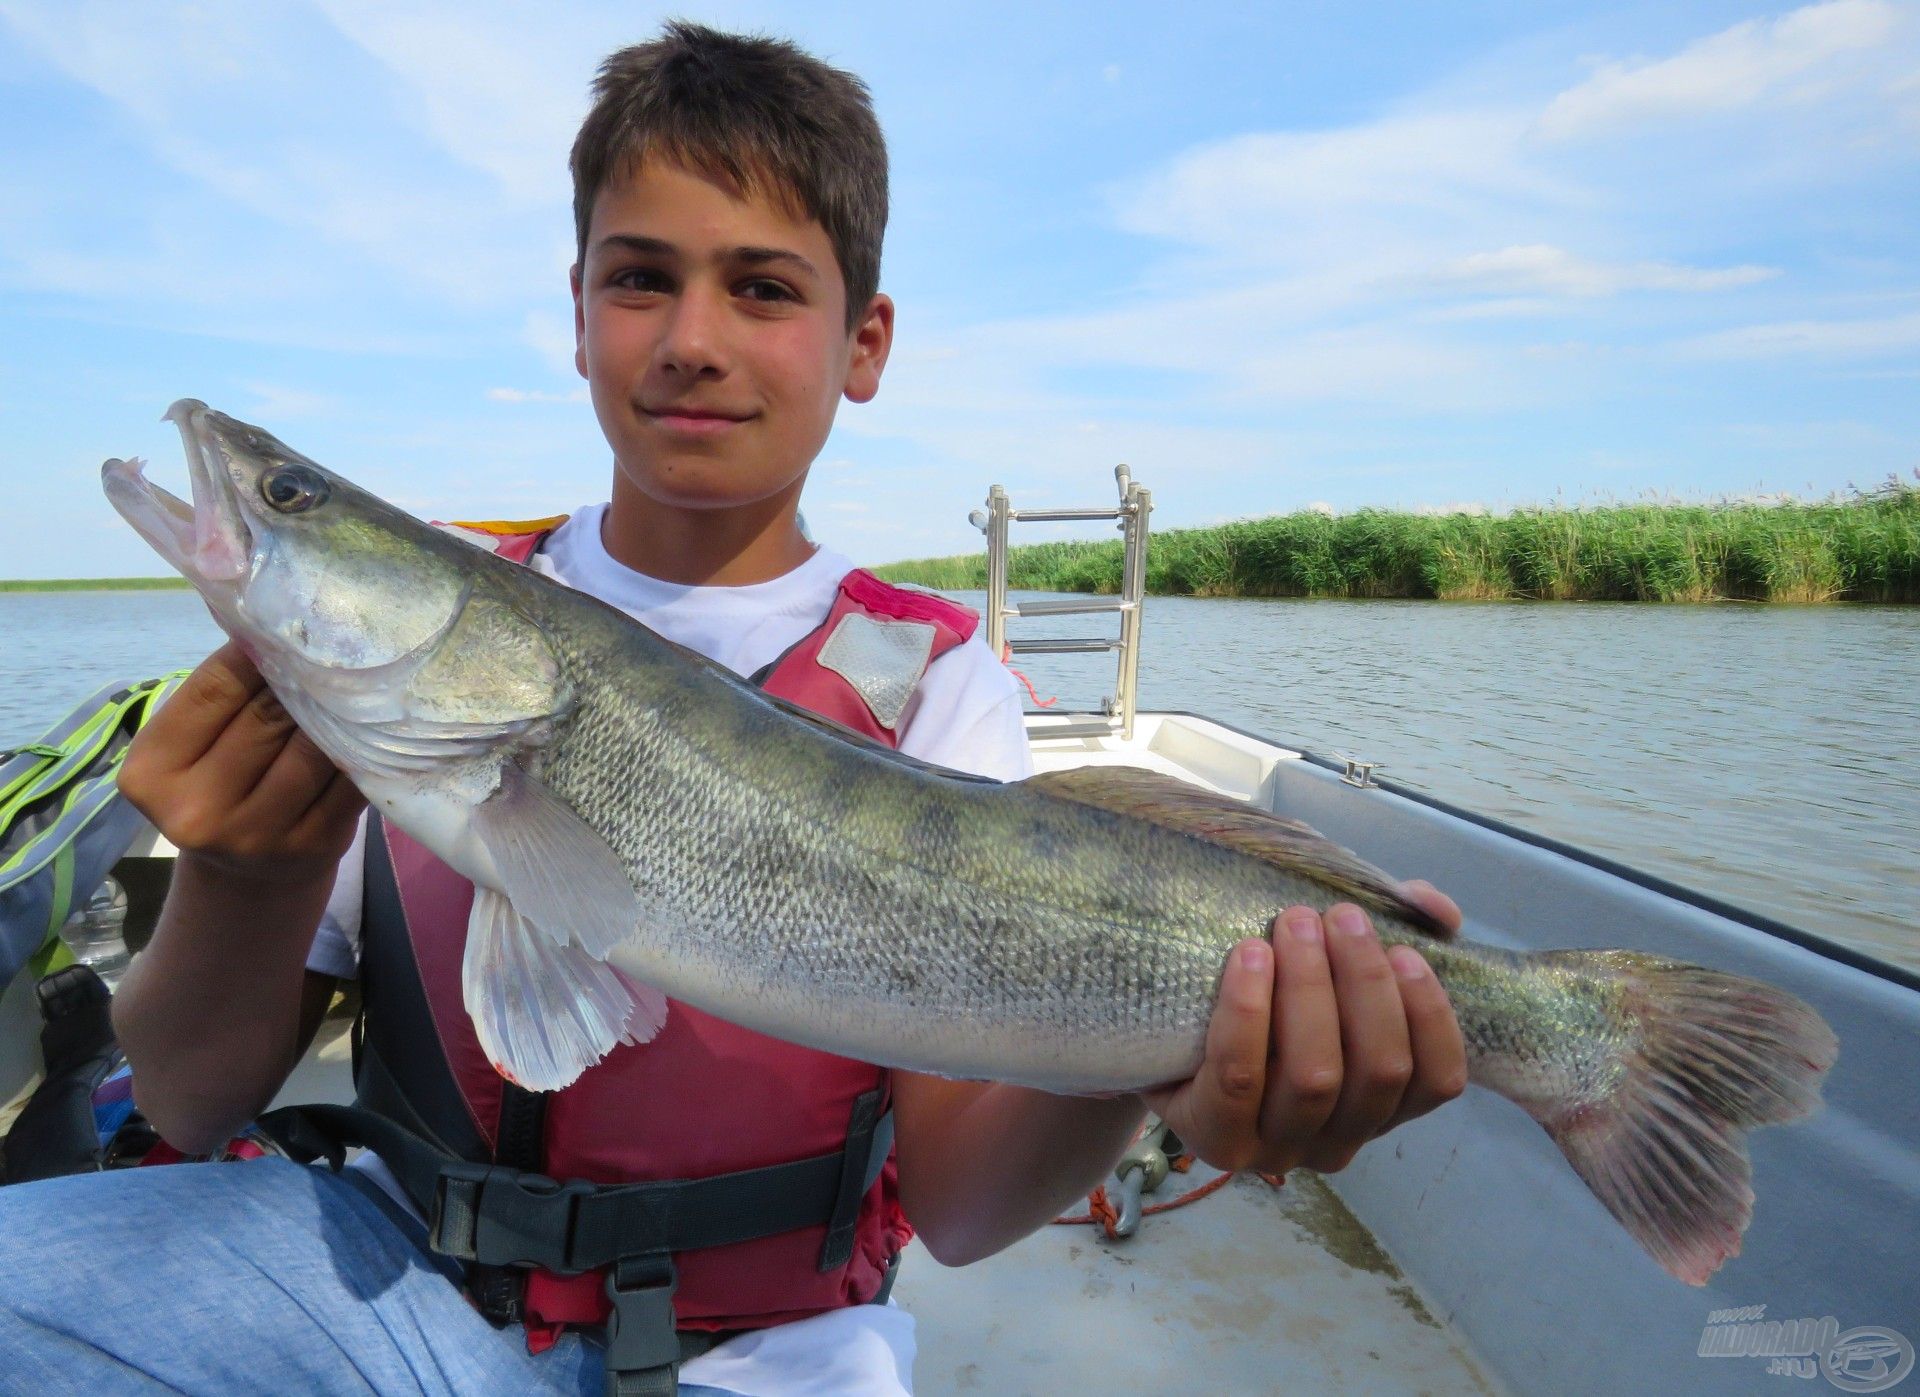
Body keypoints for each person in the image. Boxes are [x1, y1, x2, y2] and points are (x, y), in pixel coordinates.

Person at [0, 21, 1467, 1396]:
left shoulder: (943, 688)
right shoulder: (382, 700)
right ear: (576, 316)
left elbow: (958, 1207)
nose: (692, 336)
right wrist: (244, 880)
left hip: (775, 1348)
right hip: (386, 1281)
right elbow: (188, 1093)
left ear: (864, 343)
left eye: (763, 286)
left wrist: (1168, 1074)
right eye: (639, 277)